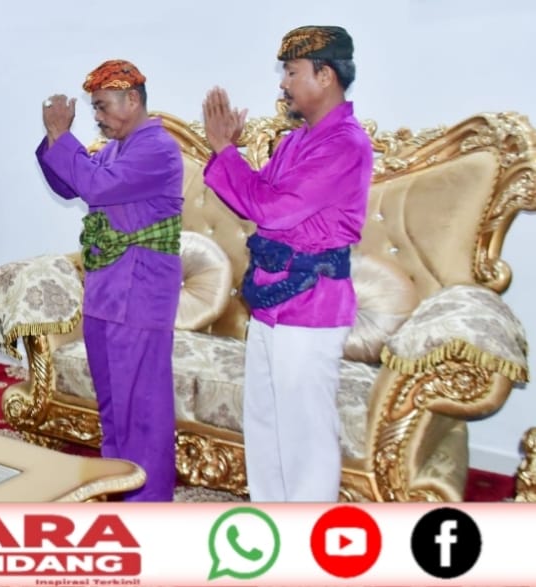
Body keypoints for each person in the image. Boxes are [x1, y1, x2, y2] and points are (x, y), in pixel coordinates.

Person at [201, 25, 373, 501]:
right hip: (270, 301)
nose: (284, 83)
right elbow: (255, 198)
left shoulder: (345, 144)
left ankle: (308, 534)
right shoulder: (298, 141)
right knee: (265, 421)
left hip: (312, 305)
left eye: (292, 72)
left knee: (304, 434)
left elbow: (272, 209)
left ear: (325, 75)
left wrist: (225, 150)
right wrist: (229, 153)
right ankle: (271, 523)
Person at [36, 59, 183, 501]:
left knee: (142, 410)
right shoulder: (117, 147)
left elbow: (98, 186)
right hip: (107, 291)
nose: (96, 116)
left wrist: (63, 136)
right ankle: (118, 489)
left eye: (102, 106)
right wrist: (54, 140)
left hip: (141, 293)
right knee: (113, 405)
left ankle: (147, 503)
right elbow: (71, 185)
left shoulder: (156, 147)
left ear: (132, 100)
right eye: (94, 107)